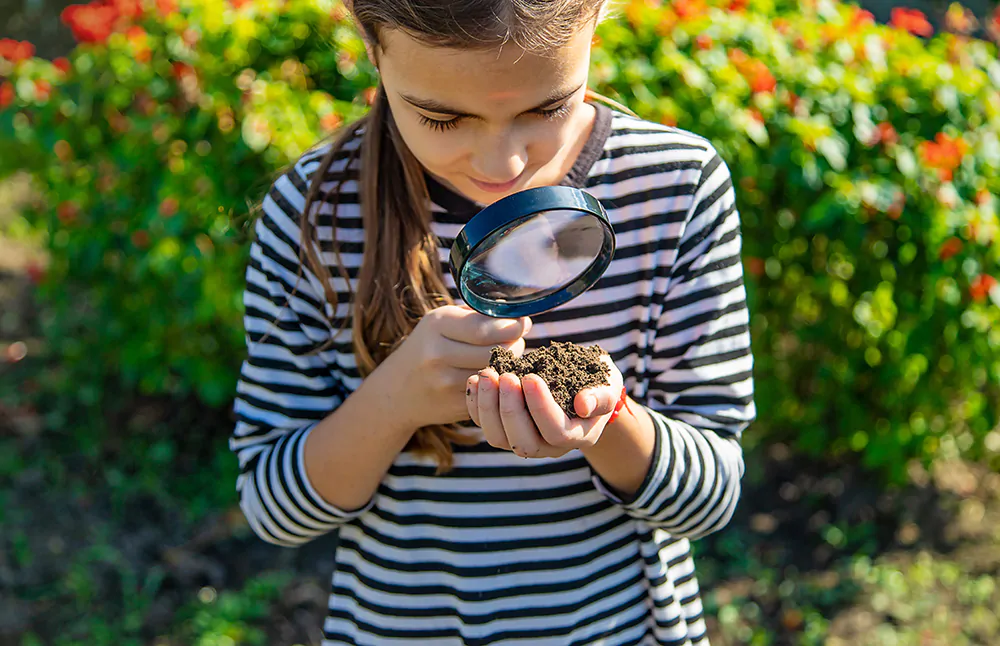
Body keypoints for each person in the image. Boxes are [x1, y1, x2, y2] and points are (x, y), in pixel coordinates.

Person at [229, 0, 756, 643]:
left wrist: (603, 415)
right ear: (371, 43)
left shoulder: (674, 187)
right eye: (443, 118)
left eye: (545, 109)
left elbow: (713, 496)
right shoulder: (314, 217)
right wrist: (395, 400)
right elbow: (274, 509)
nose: (503, 165)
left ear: (597, 25)